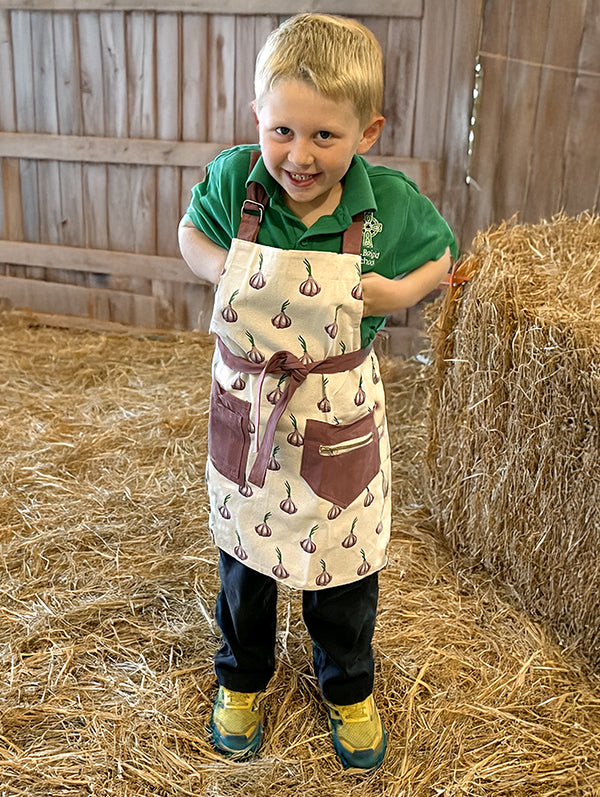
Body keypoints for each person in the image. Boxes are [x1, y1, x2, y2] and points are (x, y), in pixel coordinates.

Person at [178, 13, 456, 771]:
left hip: (335, 410)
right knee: (247, 561)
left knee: (344, 565)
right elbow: (189, 237)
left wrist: (391, 289)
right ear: (257, 118)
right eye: (282, 131)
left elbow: (444, 256)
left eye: (324, 138)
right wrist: (224, 271)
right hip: (251, 400)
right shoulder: (238, 179)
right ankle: (242, 678)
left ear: (368, 133)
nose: (297, 156)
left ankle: (347, 685)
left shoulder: (387, 203)